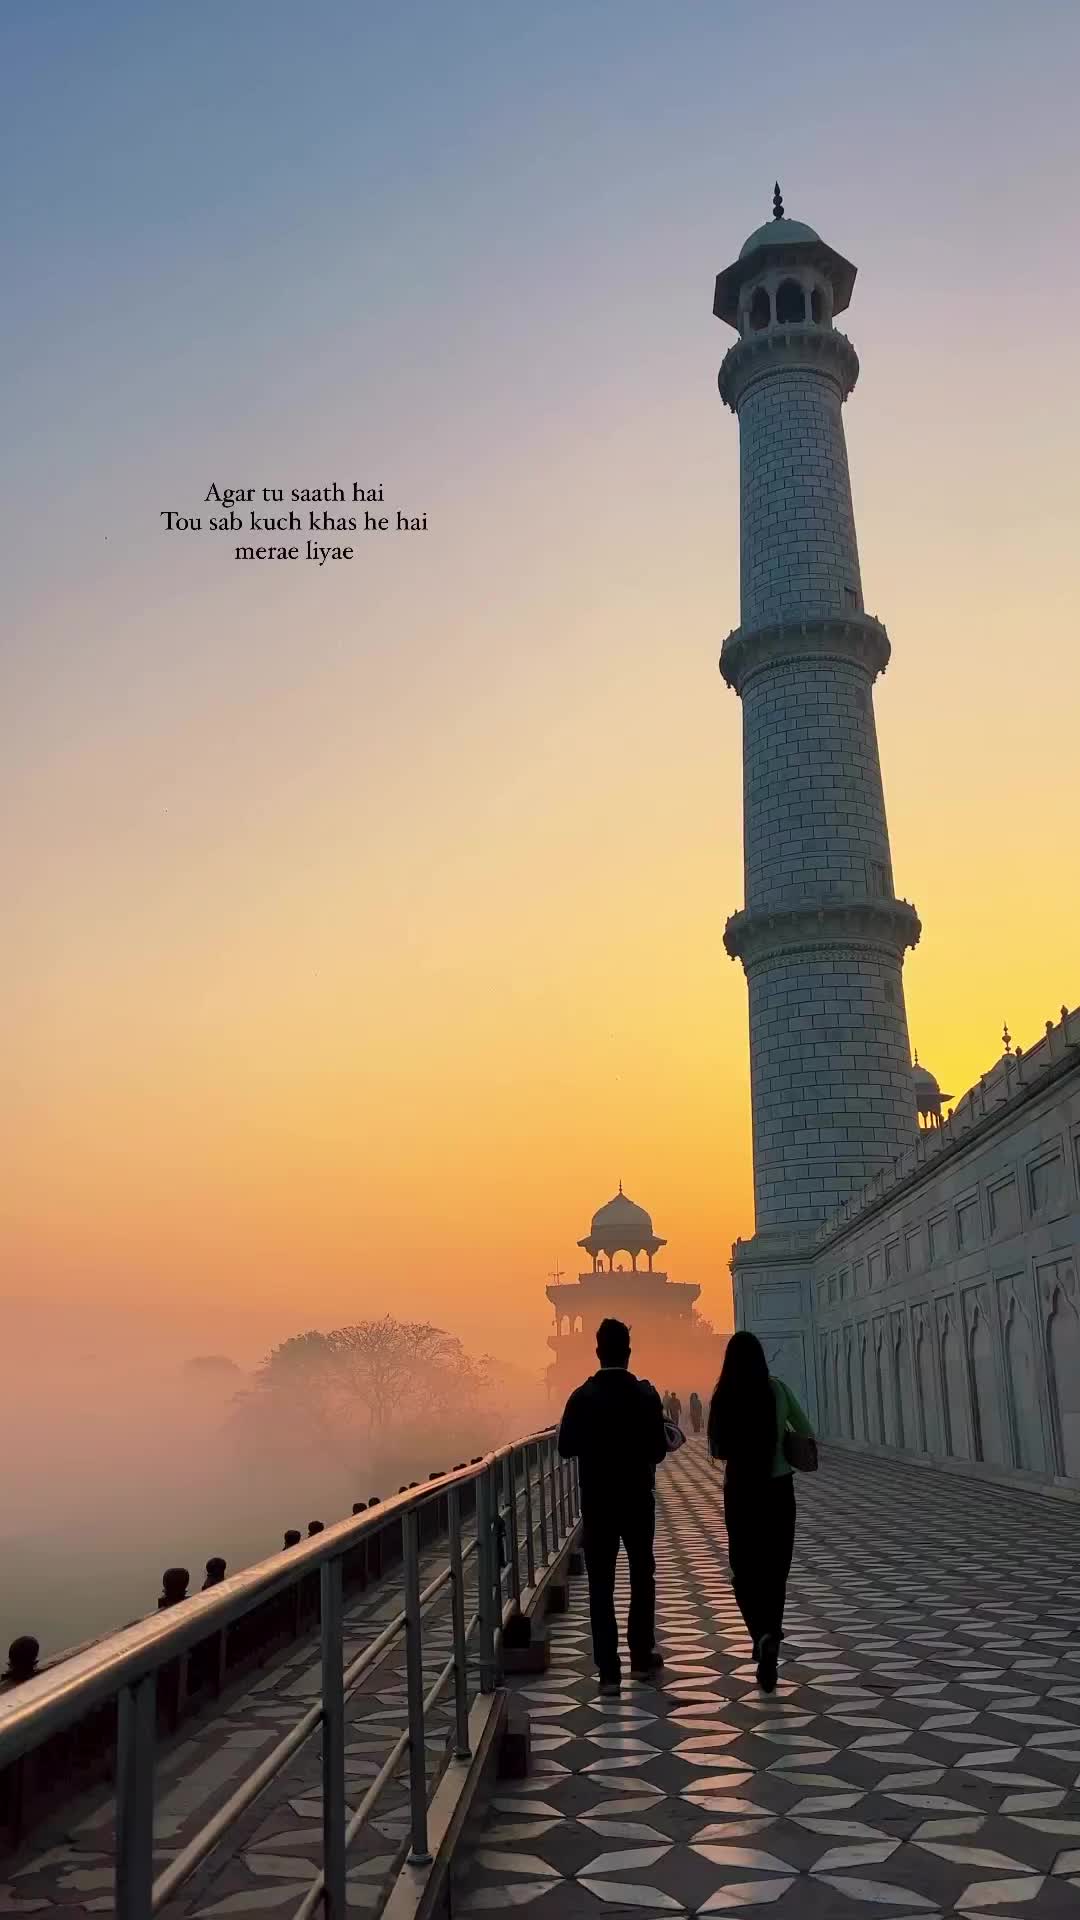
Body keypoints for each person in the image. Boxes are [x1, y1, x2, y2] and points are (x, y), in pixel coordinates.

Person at [558, 1317, 668, 1696]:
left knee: (601, 1583)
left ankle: (608, 1671)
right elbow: (658, 1450)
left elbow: (564, 1447)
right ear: (628, 1351)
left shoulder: (582, 1396)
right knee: (642, 1575)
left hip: (598, 1501)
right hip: (637, 1498)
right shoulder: (645, 1395)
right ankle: (640, 1655)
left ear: (597, 1351)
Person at [707, 1331, 815, 1693]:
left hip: (741, 1490)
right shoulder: (777, 1389)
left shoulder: (723, 1394)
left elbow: (717, 1447)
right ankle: (772, 1640)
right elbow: (806, 1431)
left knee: (744, 1568)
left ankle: (760, 1633)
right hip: (778, 1490)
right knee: (775, 1570)